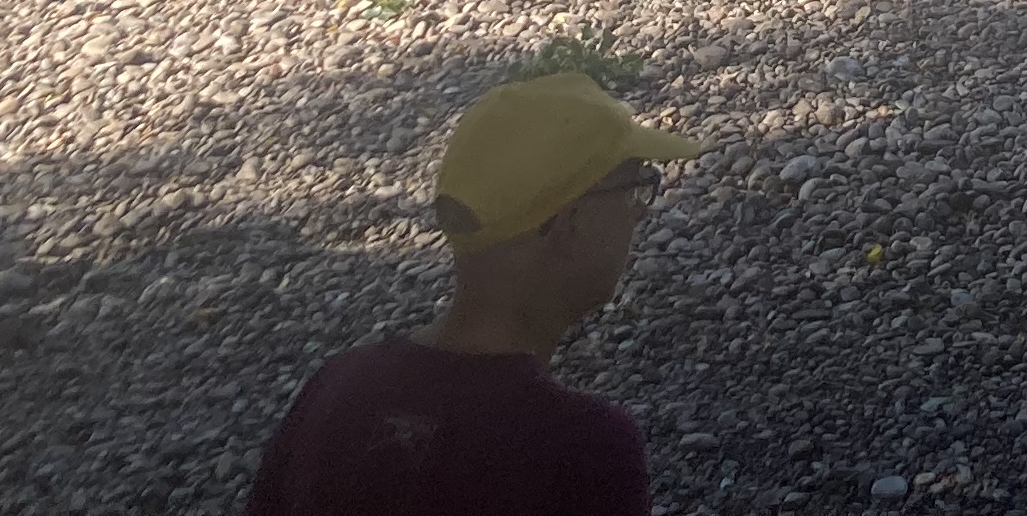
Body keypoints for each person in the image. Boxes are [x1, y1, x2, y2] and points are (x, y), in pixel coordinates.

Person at [248, 69, 697, 515]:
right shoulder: (585, 447)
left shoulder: (337, 390)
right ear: (570, 223)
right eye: (634, 190)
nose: (639, 214)